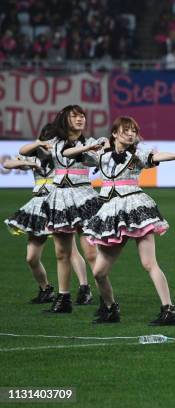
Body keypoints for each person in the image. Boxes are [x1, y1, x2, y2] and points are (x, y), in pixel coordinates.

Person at [66, 116, 175, 325]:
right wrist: (91, 146)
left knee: (149, 263)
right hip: (111, 213)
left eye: (134, 130)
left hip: (135, 208)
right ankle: (110, 308)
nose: (131, 133)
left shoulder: (138, 152)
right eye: (126, 130)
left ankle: (168, 309)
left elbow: (157, 156)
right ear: (115, 133)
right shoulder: (101, 153)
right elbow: (67, 153)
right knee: (98, 272)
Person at [19, 106, 101, 313]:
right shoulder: (55, 142)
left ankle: (105, 299)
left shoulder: (90, 143)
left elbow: (98, 161)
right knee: (62, 252)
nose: (80, 118)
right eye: (75, 115)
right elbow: (22, 152)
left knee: (91, 252)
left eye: (82, 115)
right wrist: (39, 142)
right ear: (64, 119)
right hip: (61, 197)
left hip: (84, 197)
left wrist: (100, 149)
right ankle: (63, 299)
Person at [4, 124, 89, 304]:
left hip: (58, 204)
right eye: (46, 139)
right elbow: (7, 163)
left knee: (70, 250)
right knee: (31, 257)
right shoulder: (35, 155)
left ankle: (84, 288)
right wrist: (28, 161)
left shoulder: (62, 154)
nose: (50, 143)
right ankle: (46, 289)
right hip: (37, 206)